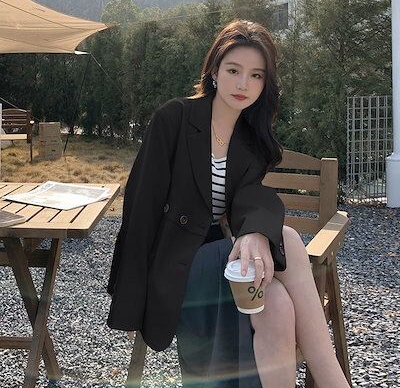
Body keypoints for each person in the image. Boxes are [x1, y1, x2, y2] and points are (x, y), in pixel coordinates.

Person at [107, 19, 351, 388]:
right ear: (214, 71)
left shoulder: (251, 140)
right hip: (177, 264)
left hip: (224, 261)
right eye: (234, 70)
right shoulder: (174, 119)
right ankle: (335, 381)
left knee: (278, 305)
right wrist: (130, 303)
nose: (243, 84)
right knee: (288, 241)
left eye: (256, 75)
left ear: (265, 83)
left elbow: (251, 197)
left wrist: (254, 232)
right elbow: (140, 210)